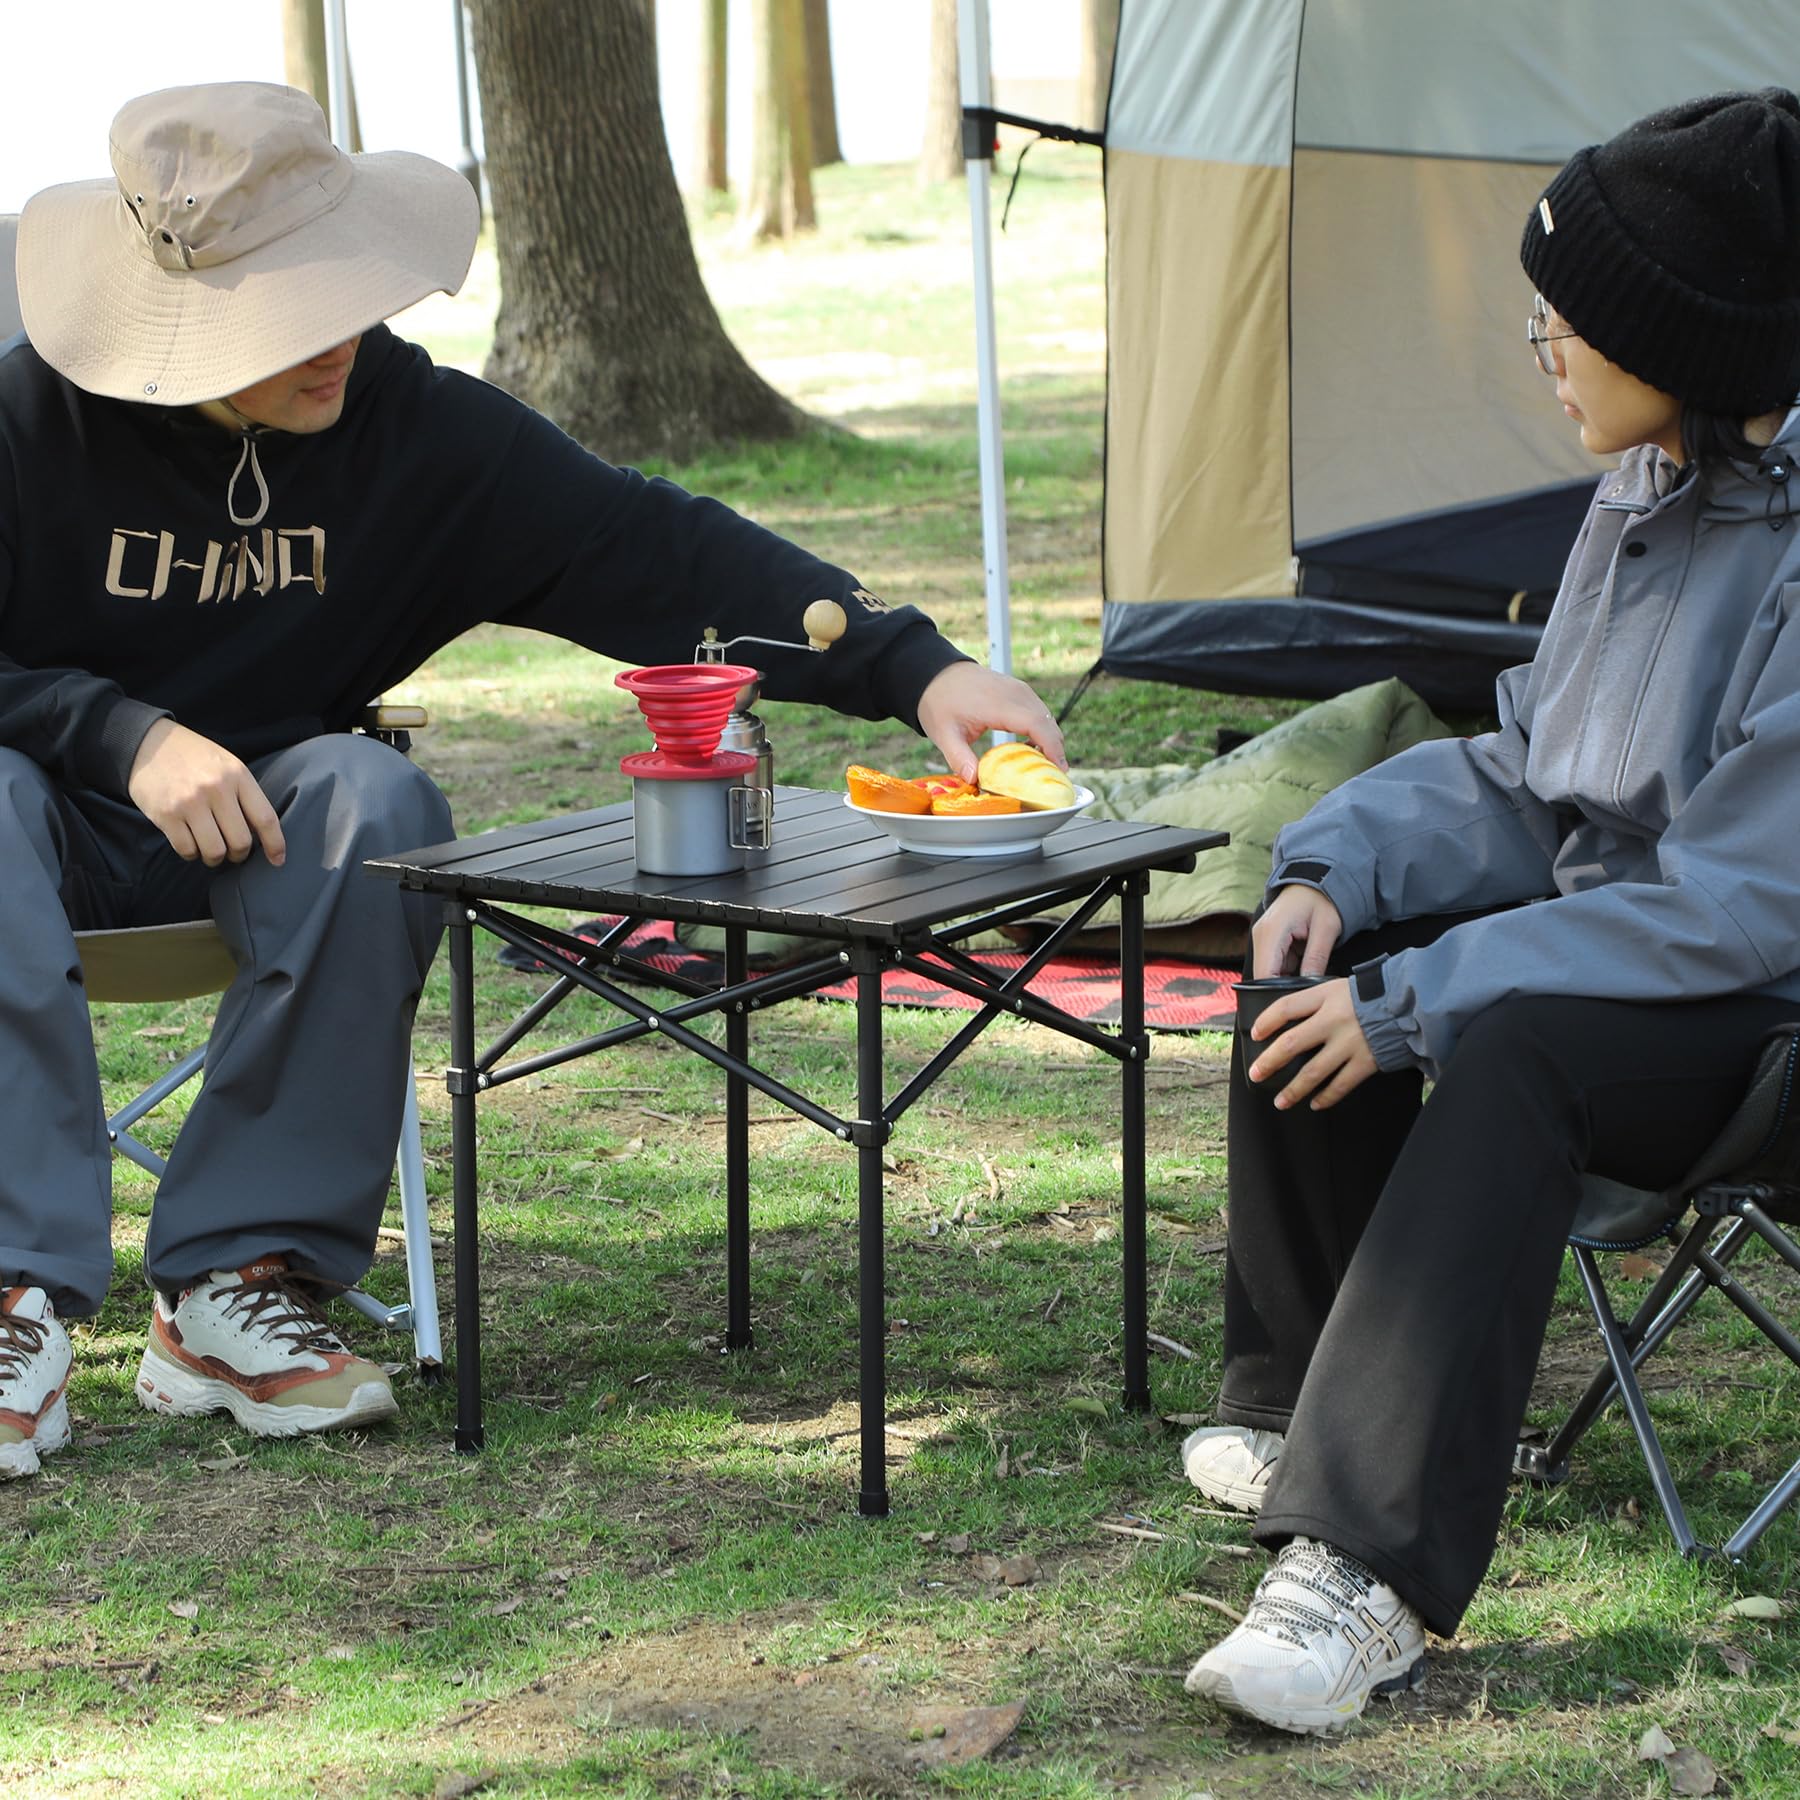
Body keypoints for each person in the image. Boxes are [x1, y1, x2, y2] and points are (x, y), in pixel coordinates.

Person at [0, 82, 1066, 1481]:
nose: (342, 338)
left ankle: (233, 1286)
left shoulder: (411, 432)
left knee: (380, 806)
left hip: (272, 837)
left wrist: (914, 667)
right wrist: (118, 732)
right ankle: (10, 1294)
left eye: (348, 292)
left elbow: (653, 548)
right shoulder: (31, 418)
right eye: (289, 313)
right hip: (38, 827)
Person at [1178, 88, 1800, 1734]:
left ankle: (1360, 1577)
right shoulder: (1654, 484)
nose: (1541, 334)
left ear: (1689, 333)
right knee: (1323, 947)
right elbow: (1539, 773)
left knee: (1496, 1030)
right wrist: (1334, 865)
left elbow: (1741, 911)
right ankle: (1310, 1402)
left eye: (1575, 306)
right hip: (1647, 949)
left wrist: (1421, 1000)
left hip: (1769, 1016)